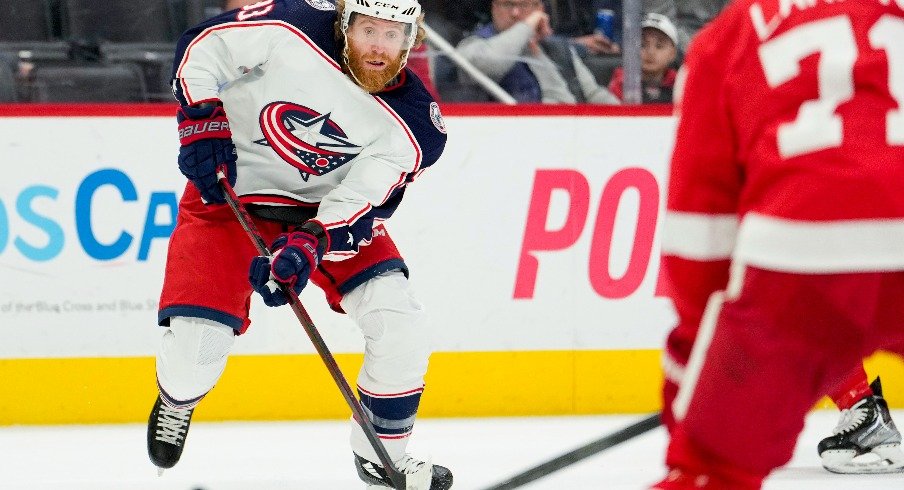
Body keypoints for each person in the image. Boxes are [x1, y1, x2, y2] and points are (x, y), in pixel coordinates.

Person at [145, 1, 453, 489]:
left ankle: (381, 455)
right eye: (368, 29)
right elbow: (204, 48)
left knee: (401, 326)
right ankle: (177, 400)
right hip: (230, 199)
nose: (378, 45)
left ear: (413, 40)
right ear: (343, 22)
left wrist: (312, 242)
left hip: (323, 215)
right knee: (194, 357)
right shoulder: (293, 25)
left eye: (393, 35)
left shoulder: (417, 125)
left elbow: (361, 201)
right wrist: (203, 116)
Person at [653, 0, 904, 488]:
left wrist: (699, 411)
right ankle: (861, 409)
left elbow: (700, 249)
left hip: (805, 248)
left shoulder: (729, 37)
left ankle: (859, 411)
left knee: (712, 471)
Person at [455, 0, 620, 104]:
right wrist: (527, 25)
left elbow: (594, 94)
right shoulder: (474, 45)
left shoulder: (559, 47)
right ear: (494, 8)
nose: (515, 13)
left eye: (524, 5)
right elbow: (488, 64)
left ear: (540, 8)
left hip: (572, 134)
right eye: (507, 4)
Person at [607, 13, 678, 103]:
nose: (651, 52)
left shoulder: (680, 84)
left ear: (672, 53)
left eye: (659, 46)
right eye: (643, 45)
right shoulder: (621, 83)